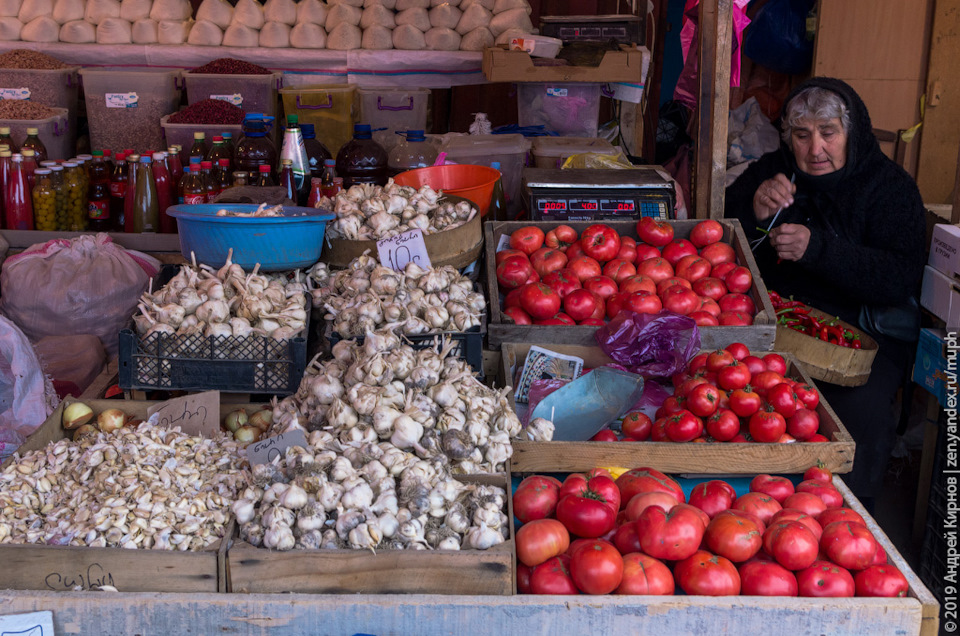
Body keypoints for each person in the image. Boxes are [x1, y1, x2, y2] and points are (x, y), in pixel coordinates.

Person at [725, 77, 926, 507]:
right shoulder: (770, 172)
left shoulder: (889, 188)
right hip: (779, 325)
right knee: (742, 395)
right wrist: (752, 210)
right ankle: (752, 508)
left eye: (828, 134)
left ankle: (848, 522)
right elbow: (722, 242)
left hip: (859, 337)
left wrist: (819, 250)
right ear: (788, 138)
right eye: (802, 135)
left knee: (858, 414)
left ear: (852, 135)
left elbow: (899, 277)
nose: (815, 149)